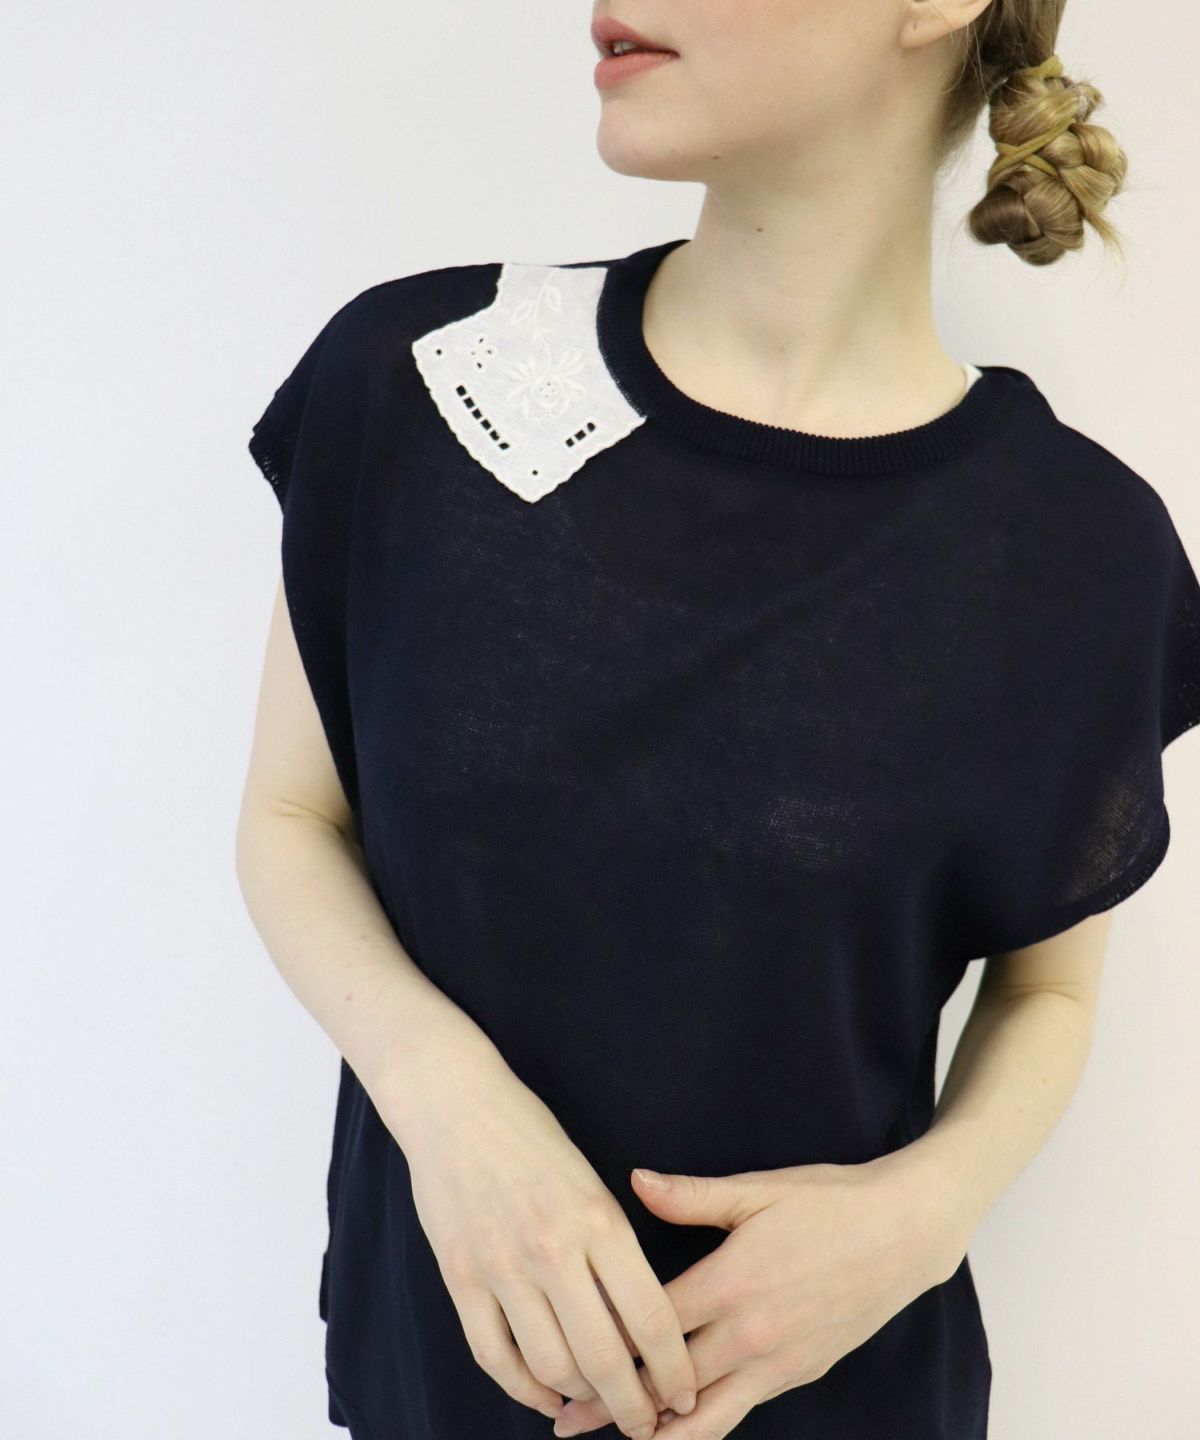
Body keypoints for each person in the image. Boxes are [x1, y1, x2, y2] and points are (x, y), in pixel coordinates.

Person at [235, 2, 1199, 1437]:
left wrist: (925, 1215)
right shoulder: (421, 377)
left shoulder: (1079, 553)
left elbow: (1046, 992)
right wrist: (449, 1106)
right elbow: (291, 817)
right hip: (442, 1385)